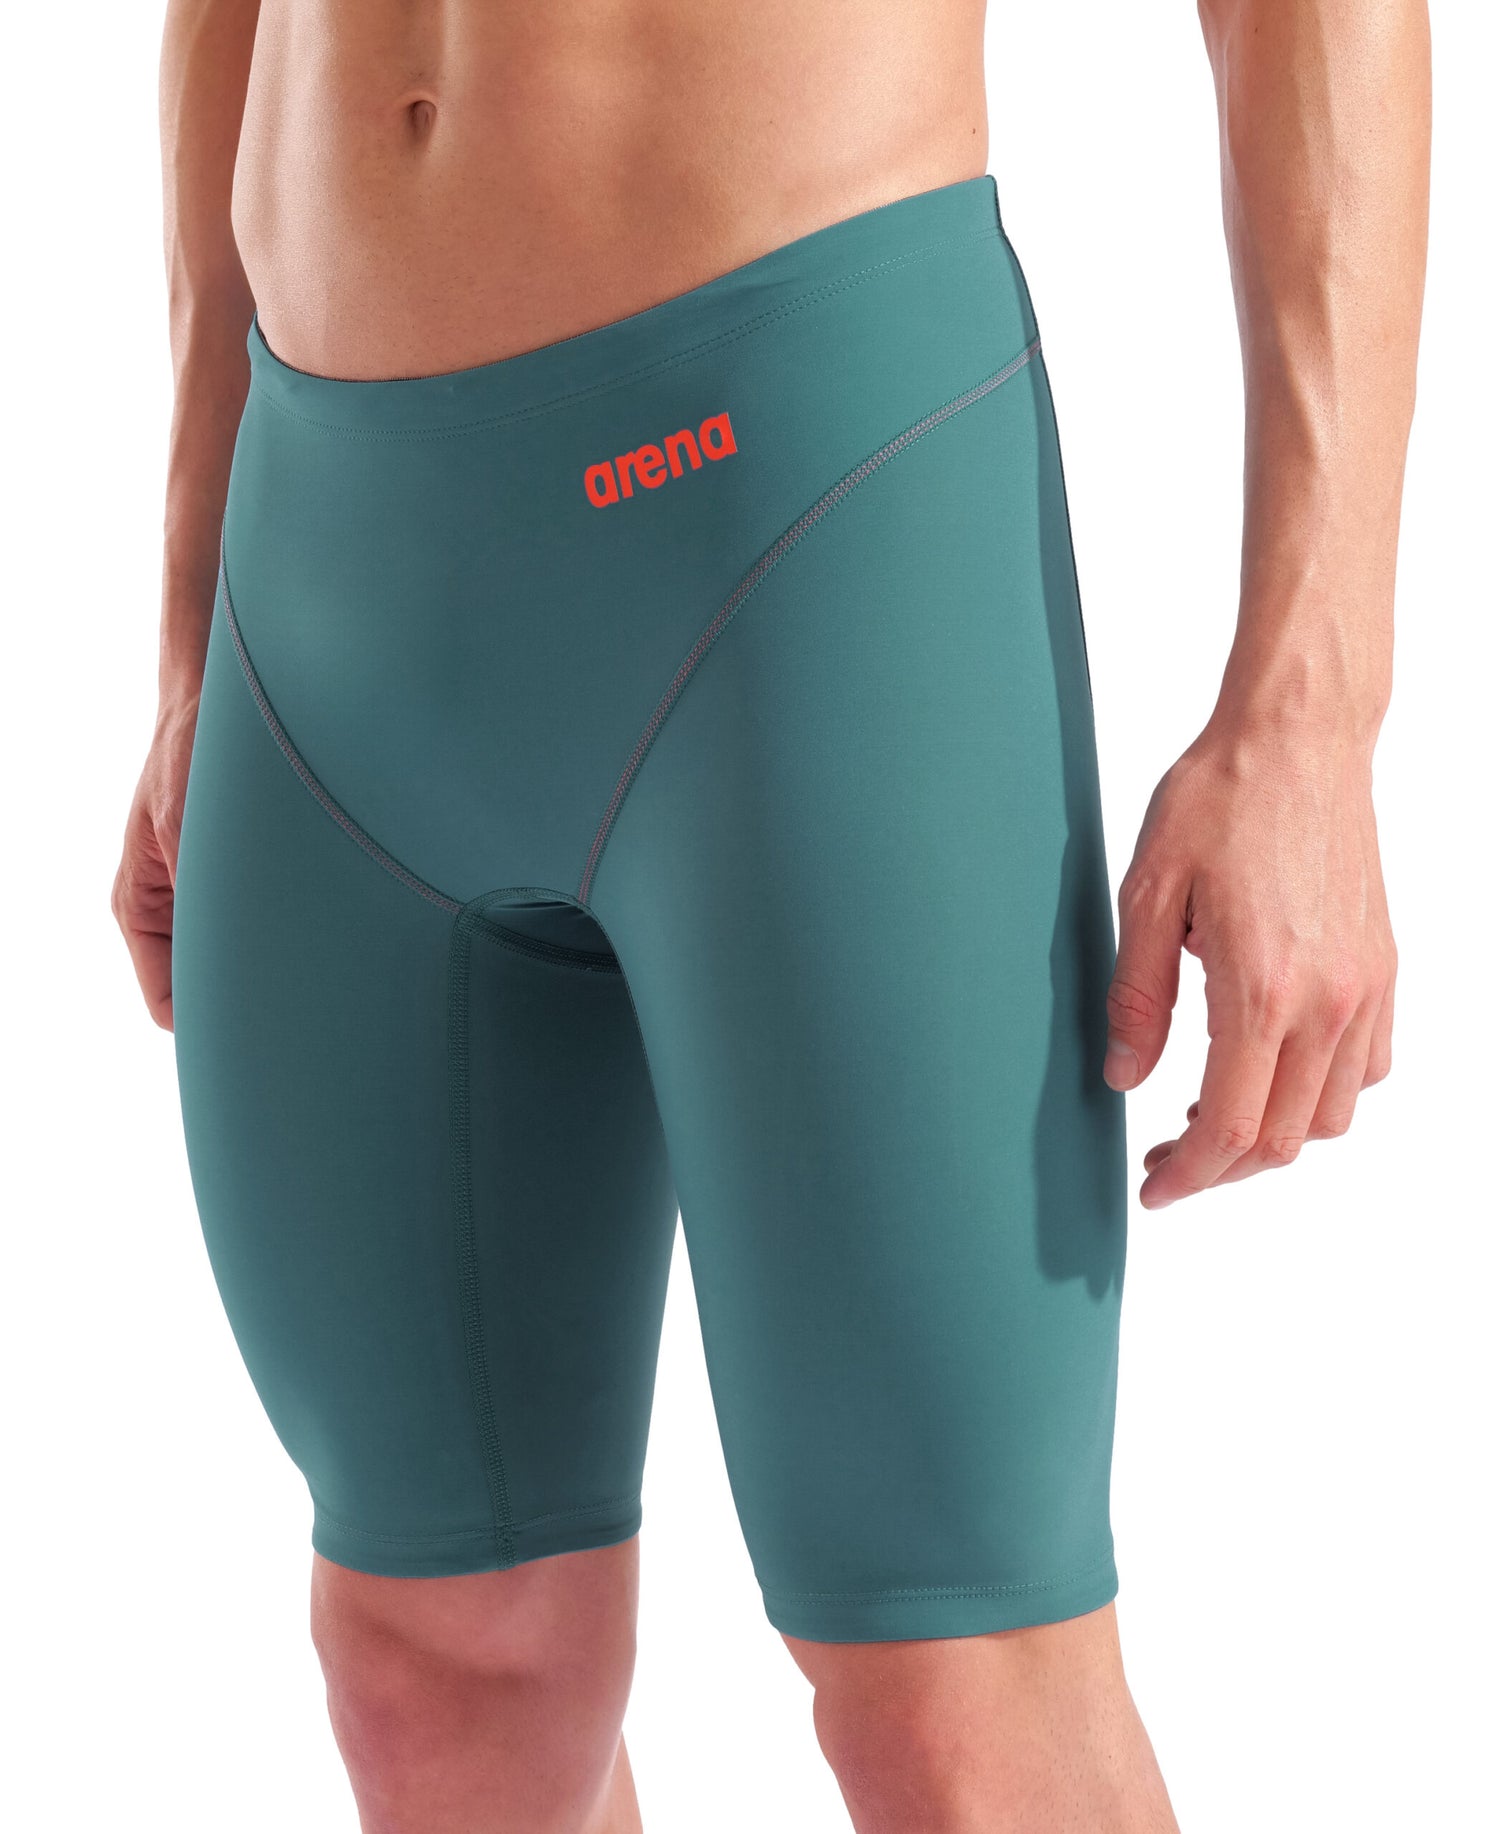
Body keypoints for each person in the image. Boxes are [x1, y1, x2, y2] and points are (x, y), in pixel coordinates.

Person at [112, 2, 1427, 1828]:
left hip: (798, 488)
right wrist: (193, 610)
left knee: (956, 1695)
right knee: (440, 1663)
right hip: (328, 570)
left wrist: (1311, 711)